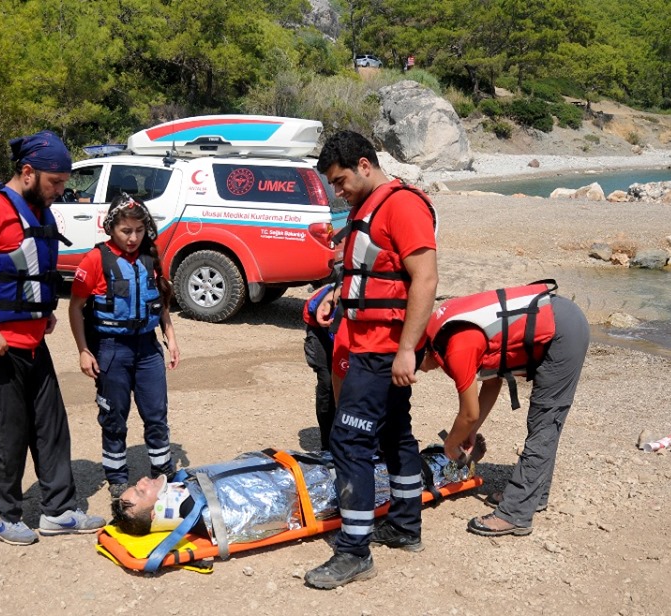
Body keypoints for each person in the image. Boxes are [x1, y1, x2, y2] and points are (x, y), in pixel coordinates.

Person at [0, 131, 105, 546]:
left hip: (30, 340)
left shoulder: (39, 208)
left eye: (64, 182)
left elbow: (30, 268)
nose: (61, 190)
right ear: (28, 172)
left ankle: (59, 511)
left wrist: (41, 313)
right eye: (55, 182)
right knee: (11, 430)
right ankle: (2, 513)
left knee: (51, 425)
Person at [304, 131, 439, 590]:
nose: (337, 192)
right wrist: (336, 299)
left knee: (348, 440)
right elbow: (369, 270)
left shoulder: (402, 205)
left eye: (340, 182)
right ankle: (405, 525)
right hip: (370, 341)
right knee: (394, 431)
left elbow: (425, 279)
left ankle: (354, 551)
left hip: (384, 349)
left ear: (365, 165)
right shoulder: (369, 206)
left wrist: (406, 349)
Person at [419, 280, 590, 537]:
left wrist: (451, 444)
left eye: (413, 368)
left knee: (544, 422)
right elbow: (492, 381)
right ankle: (534, 495)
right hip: (561, 317)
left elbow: (468, 412)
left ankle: (516, 513)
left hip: (562, 332)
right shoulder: (441, 329)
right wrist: (470, 431)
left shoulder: (456, 347)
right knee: (544, 424)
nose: (419, 373)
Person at [111, 440, 483, 541]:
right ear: (161, 512)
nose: (142, 482)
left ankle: (446, 455)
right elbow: (271, 509)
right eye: (140, 493)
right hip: (316, 486)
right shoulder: (208, 516)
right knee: (392, 477)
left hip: (305, 467)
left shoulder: (188, 483)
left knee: (377, 458)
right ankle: (456, 461)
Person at [68, 193, 180, 504]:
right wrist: (83, 350)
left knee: (156, 414)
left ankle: (164, 470)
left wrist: (170, 337)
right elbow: (75, 307)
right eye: (125, 231)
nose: (133, 238)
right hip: (112, 349)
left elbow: (161, 303)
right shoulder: (95, 260)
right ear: (110, 229)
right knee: (114, 416)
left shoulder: (150, 258)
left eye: (139, 231)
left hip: (147, 349)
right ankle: (116, 476)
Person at [302, 283, 348, 450]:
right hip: (320, 328)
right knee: (327, 383)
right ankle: (327, 445)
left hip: (345, 330)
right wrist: (329, 300)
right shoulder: (327, 308)